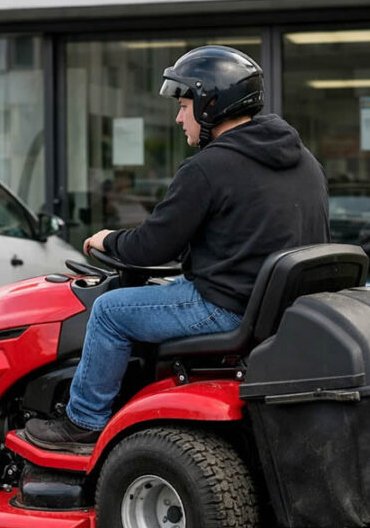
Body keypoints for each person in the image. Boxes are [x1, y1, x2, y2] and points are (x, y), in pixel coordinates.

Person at [25, 45, 330, 450]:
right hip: (279, 310)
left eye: (184, 105)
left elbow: (151, 247)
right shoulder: (304, 160)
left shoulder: (208, 168)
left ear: (210, 103)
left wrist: (107, 239)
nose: (178, 116)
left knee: (109, 311)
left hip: (225, 308)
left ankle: (83, 421)